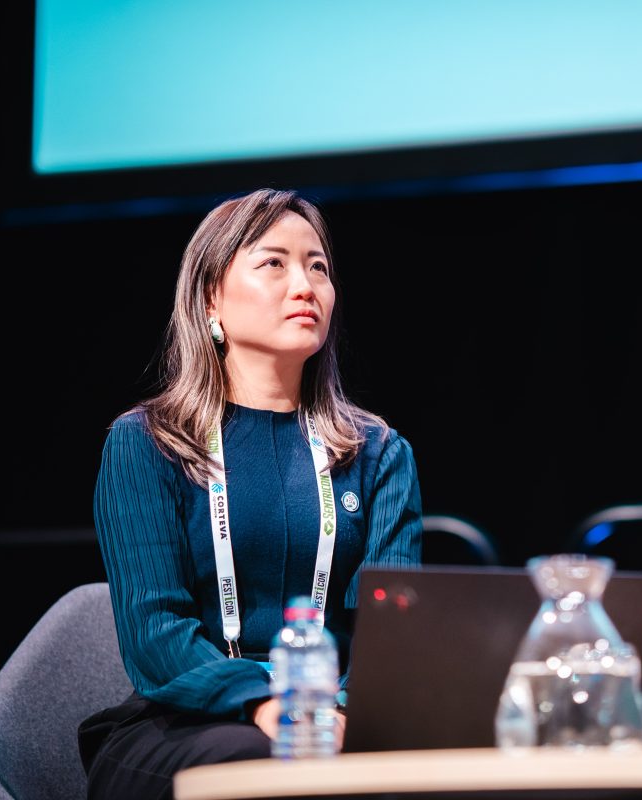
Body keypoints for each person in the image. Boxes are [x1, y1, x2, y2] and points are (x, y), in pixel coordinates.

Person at [79, 189, 422, 799]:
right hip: (186, 723)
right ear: (211, 298)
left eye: (318, 267)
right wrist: (266, 704)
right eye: (274, 263)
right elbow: (155, 634)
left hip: (335, 717)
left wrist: (336, 712)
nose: (305, 285)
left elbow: (387, 636)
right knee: (259, 760)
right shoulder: (149, 443)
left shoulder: (377, 453)